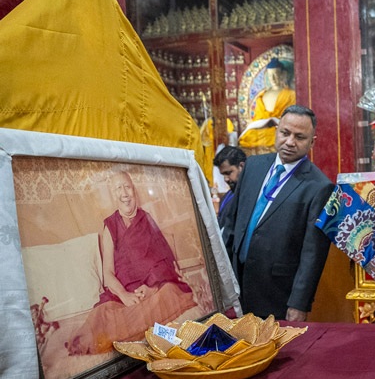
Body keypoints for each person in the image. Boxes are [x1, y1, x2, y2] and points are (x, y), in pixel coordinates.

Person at [68, 171, 197, 354]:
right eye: (118, 188)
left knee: (168, 292)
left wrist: (151, 288)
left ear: (134, 191)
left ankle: (147, 332)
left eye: (127, 187)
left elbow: (163, 262)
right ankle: (153, 332)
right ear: (113, 195)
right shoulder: (110, 226)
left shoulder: (147, 219)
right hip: (123, 295)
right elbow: (108, 274)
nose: (124, 193)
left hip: (150, 290)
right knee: (103, 315)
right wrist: (124, 295)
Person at [225, 105, 333, 321]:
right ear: (277, 132)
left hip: (277, 292)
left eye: (300, 137)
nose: (290, 142)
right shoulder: (253, 166)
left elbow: (313, 254)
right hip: (237, 283)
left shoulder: (319, 186)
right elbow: (232, 221)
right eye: (285, 133)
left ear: (312, 142)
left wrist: (299, 304)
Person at [238, 58, 296, 155]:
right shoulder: (261, 96)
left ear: (282, 75)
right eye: (270, 75)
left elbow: (293, 118)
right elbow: (257, 119)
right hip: (262, 131)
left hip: (279, 129)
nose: (272, 78)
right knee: (246, 139)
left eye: (275, 75)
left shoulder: (291, 95)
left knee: (280, 137)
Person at [213, 145, 246, 251]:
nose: (226, 179)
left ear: (241, 166)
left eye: (229, 173)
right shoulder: (230, 193)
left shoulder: (248, 194)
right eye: (223, 175)